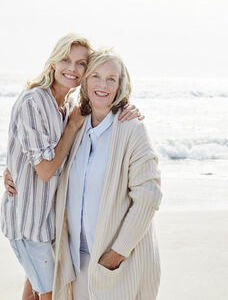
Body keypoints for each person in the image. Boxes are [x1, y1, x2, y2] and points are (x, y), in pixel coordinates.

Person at [1, 34, 142, 300]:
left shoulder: (66, 105)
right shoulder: (34, 102)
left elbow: (25, 150)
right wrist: (73, 126)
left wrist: (128, 109)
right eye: (66, 60)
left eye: (81, 63)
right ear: (53, 62)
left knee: (32, 294)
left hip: (49, 222)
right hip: (28, 223)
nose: (72, 69)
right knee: (51, 295)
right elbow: (45, 170)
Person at [52, 49, 162, 299]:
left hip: (116, 262)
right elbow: (44, 157)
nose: (103, 85)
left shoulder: (132, 129)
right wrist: (11, 172)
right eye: (96, 76)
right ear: (85, 81)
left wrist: (117, 254)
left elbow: (149, 196)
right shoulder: (75, 124)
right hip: (77, 261)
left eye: (111, 79)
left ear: (121, 85)